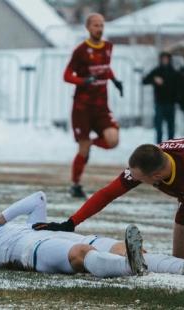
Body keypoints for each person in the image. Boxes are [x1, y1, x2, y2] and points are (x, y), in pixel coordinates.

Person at [35, 138, 184, 271]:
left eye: (140, 179)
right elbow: (107, 194)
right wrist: (70, 222)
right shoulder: (153, 161)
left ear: (156, 177)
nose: (134, 181)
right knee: (183, 259)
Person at [0, 191, 184, 277]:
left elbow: (39, 199)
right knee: (82, 255)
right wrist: (1, 219)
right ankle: (129, 268)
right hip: (30, 251)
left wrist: (4, 219)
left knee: (120, 247)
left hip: (48, 236)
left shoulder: (4, 229)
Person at [63, 13, 124, 199]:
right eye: (96, 25)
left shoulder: (107, 47)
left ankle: (89, 143)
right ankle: (75, 184)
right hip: (82, 108)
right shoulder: (80, 50)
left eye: (102, 25)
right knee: (83, 150)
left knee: (113, 140)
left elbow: (105, 67)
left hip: (101, 107)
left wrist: (114, 80)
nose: (100, 28)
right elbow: (66, 75)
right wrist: (83, 81)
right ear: (88, 28)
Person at [142, 52, 178, 143]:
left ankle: (171, 146)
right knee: (159, 127)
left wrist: (177, 99)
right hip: (159, 103)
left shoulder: (174, 72)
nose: (165, 60)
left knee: (171, 127)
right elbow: (144, 80)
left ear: (169, 60)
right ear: (161, 59)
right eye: (163, 58)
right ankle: (159, 146)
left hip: (171, 103)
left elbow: (179, 87)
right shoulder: (157, 71)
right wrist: (154, 80)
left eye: (167, 58)